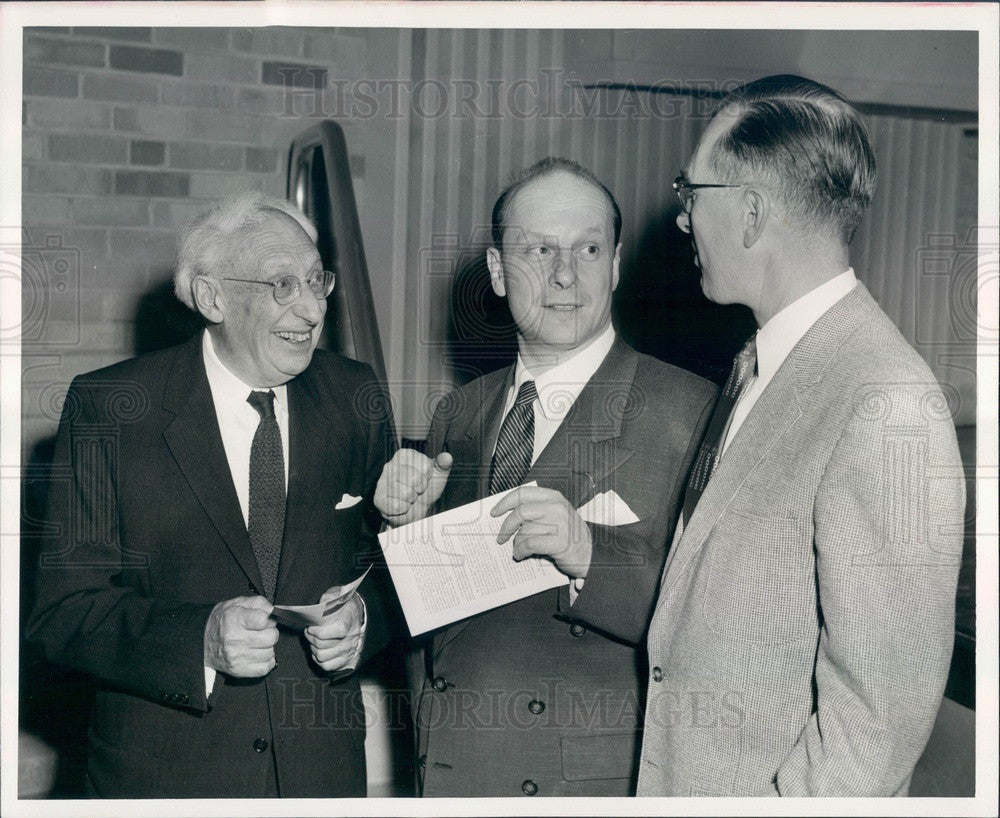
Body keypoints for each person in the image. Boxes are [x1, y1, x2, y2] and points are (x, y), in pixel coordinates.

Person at [638, 75, 966, 797]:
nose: (684, 219)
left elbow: (875, 729)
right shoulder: (758, 362)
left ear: (750, 214)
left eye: (692, 194)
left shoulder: (888, 402)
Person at [26, 192, 398, 798]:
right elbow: (63, 614)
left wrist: (364, 620)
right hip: (165, 781)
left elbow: (395, 573)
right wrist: (194, 639)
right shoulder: (111, 410)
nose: (310, 310)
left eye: (315, 281)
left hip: (320, 778)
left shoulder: (355, 396)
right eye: (282, 285)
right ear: (212, 297)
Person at [375, 157, 716, 797]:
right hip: (448, 773)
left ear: (615, 265)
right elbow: (446, 627)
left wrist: (587, 549)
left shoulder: (687, 412)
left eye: (588, 248)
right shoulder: (461, 412)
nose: (566, 274)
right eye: (538, 250)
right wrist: (405, 530)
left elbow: (719, 627)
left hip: (580, 787)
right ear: (499, 273)